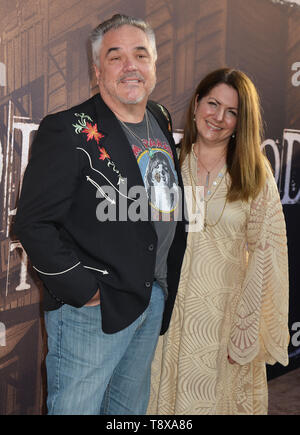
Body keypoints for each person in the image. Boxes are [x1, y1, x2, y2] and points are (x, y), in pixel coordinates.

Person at [14, 14, 187, 415]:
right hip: (93, 311)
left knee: (127, 412)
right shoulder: (68, 129)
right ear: (97, 71)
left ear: (154, 65)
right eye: (116, 57)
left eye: (140, 54)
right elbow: (33, 224)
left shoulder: (159, 117)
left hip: (151, 297)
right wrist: (85, 291)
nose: (131, 66)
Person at [148, 68, 289, 415]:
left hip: (222, 323)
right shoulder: (168, 162)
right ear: (196, 103)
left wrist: (245, 329)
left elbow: (266, 254)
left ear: (241, 122)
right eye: (213, 104)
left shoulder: (255, 173)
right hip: (163, 321)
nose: (219, 118)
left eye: (232, 112)